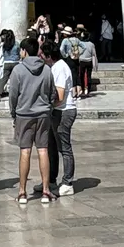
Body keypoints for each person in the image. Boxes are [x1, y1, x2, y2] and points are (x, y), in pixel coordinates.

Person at [7, 34, 56, 205]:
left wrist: (14, 113)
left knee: (25, 151)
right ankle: (46, 190)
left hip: (24, 114)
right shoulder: (47, 69)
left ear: (24, 51)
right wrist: (48, 108)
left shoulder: (18, 70)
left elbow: (13, 95)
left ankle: (22, 192)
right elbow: (52, 93)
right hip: (43, 114)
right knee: (43, 150)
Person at [46, 37, 77, 195]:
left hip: (64, 111)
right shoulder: (55, 67)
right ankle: (51, 180)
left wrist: (46, 105)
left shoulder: (59, 68)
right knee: (51, 146)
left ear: (48, 56)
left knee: (64, 148)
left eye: (42, 55)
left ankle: (67, 182)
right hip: (56, 111)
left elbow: (59, 95)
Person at [0, 28, 20, 100]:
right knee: (15, 79)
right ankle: (16, 92)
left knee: (3, 79)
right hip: (15, 62)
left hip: (6, 62)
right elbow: (19, 52)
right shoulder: (16, 43)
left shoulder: (4, 45)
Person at [78, 29, 97, 99]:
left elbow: (78, 52)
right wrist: (95, 64)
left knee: (81, 76)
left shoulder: (80, 43)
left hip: (82, 61)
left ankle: (83, 90)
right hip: (89, 61)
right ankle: (88, 91)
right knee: (89, 76)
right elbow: (93, 54)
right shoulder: (91, 44)